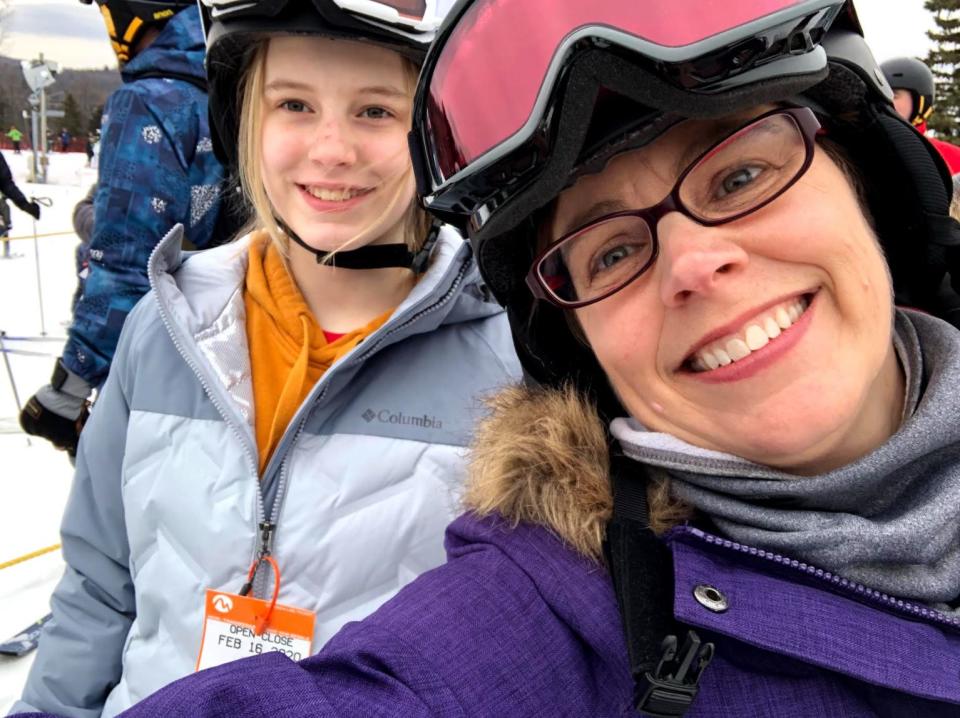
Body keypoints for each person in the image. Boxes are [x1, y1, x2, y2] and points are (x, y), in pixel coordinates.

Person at [34, 1, 960, 716]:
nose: (694, 261)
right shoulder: (562, 592)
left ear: (870, 183)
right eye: (612, 250)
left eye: (743, 175)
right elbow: (99, 587)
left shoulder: (496, 365)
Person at [9, 1, 517, 716]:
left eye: (374, 111)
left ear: (432, 132)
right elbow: (99, 587)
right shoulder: (166, 329)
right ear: (246, 119)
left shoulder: (509, 357)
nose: (331, 148)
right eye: (295, 105)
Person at [18, 0, 232, 457]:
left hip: (152, 358)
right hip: (219, 352)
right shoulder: (222, 94)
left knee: (120, 512)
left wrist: (69, 387)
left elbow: (128, 255)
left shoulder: (151, 100)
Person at [882, 56, 960, 175]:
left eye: (894, 95)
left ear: (920, 103)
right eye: (880, 93)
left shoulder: (953, 158)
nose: (885, 101)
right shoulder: (857, 150)